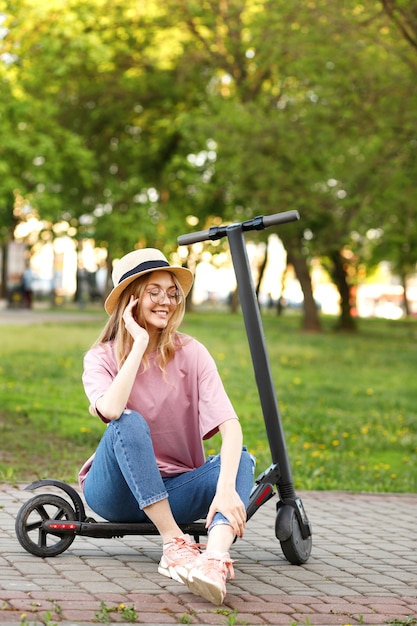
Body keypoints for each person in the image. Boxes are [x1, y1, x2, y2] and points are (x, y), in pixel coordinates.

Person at [78, 248, 255, 605]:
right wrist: (139, 342)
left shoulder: (192, 353)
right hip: (116, 493)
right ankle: (174, 544)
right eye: (153, 291)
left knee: (242, 461)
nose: (166, 301)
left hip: (175, 490)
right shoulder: (100, 357)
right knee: (127, 420)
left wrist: (224, 490)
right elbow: (111, 410)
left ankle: (214, 560)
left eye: (171, 292)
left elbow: (231, 427)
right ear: (131, 300)